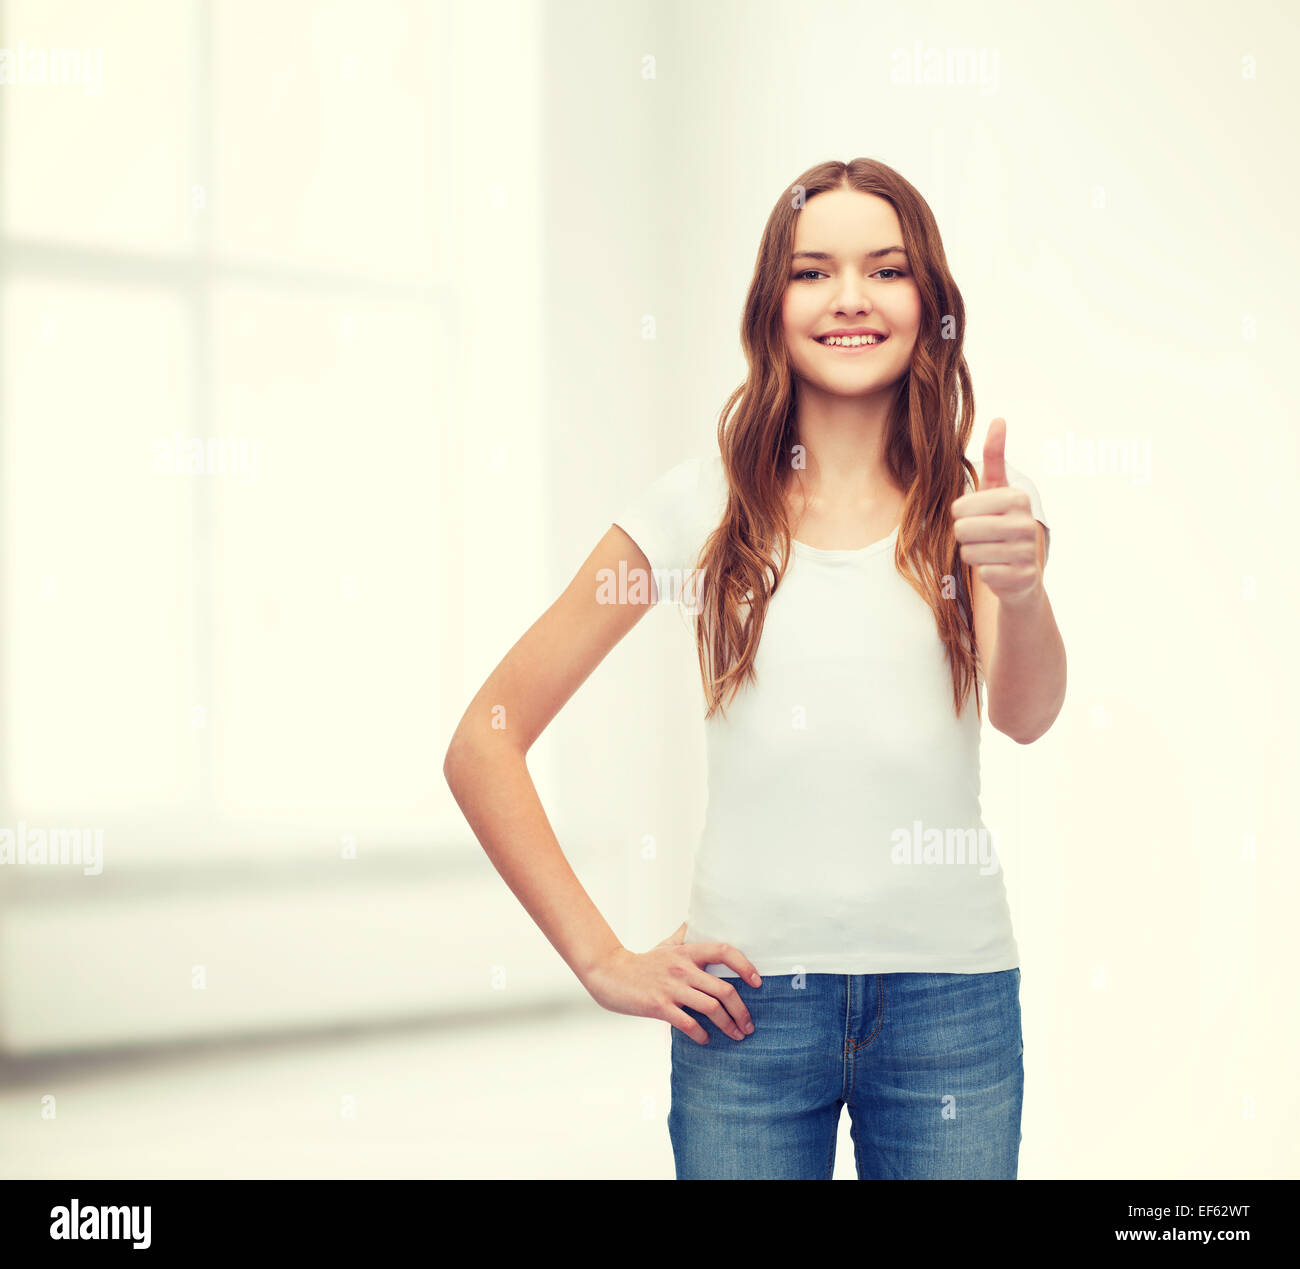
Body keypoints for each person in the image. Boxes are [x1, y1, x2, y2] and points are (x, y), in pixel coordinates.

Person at [443, 157, 1067, 1179]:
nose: (851, 299)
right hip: (745, 1011)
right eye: (813, 272)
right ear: (772, 307)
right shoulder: (696, 510)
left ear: (930, 304)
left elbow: (1027, 714)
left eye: (887, 269)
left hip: (949, 1000)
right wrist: (602, 961)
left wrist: (1025, 588)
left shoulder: (983, 505)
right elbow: (485, 740)